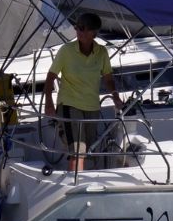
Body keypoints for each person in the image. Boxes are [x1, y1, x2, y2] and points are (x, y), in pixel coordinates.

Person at [43, 13, 122, 172]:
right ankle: (76, 184)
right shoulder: (66, 51)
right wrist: (49, 102)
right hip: (69, 104)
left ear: (93, 32)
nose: (78, 30)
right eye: (77, 27)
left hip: (92, 106)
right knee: (78, 149)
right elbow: (51, 77)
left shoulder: (101, 52)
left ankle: (83, 180)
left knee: (88, 150)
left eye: (82, 28)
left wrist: (116, 97)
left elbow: (108, 78)